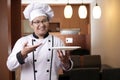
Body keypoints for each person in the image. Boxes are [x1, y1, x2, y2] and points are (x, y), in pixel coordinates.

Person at [6, 2, 73, 80]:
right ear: (31, 24)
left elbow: (67, 68)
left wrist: (66, 62)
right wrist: (22, 54)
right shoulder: (22, 41)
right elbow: (10, 66)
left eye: (44, 21)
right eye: (37, 22)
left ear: (48, 22)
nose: (41, 25)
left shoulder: (58, 42)